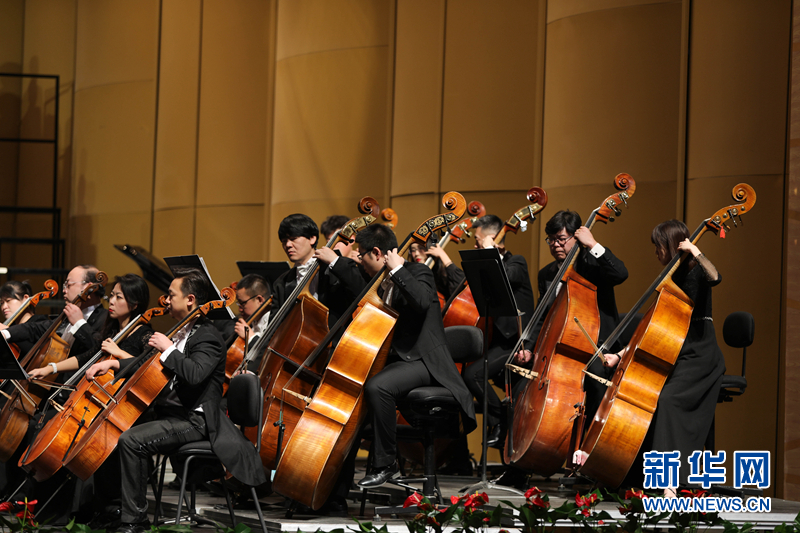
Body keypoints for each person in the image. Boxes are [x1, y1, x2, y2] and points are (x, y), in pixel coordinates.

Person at [86, 268, 265, 533]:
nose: (166, 300)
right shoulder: (182, 331)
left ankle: (135, 521)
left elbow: (195, 374)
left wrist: (168, 349)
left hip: (197, 420)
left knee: (131, 441)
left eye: (171, 295)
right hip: (174, 415)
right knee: (110, 432)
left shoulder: (207, 336)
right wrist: (114, 363)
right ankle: (112, 509)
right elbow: (151, 367)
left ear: (190, 300)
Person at [602, 219, 725, 495]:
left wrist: (695, 251)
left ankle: (670, 481)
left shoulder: (696, 270)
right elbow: (652, 326)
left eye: (658, 246)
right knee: (650, 400)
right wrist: (620, 355)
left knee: (668, 400)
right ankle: (637, 474)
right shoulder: (670, 278)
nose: (656, 252)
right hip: (676, 352)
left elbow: (716, 277)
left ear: (670, 245)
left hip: (701, 354)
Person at [356, 224, 476, 488]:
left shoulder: (417, 271)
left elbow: (421, 302)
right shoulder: (376, 283)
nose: (358, 258)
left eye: (361, 253)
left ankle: (386, 465)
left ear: (376, 252)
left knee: (378, 387)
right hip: (398, 361)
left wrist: (398, 270)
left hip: (424, 361)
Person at [515, 210, 628, 426]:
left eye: (561, 239)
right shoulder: (546, 274)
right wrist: (528, 348)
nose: (555, 245)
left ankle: (590, 436)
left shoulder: (593, 264)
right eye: (551, 239)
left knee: (594, 378)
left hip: (597, 347)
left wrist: (592, 244)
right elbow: (543, 316)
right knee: (522, 382)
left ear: (576, 237)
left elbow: (621, 274)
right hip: (559, 348)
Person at [461, 214, 536, 449]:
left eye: (477, 241)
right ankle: (499, 423)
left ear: (492, 238)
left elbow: (507, 277)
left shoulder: (517, 262)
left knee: (473, 374)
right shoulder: (488, 267)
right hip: (498, 341)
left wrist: (490, 252)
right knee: (467, 375)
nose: (475, 246)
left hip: (517, 343)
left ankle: (499, 421)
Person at [28, 274, 152, 380]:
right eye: (112, 295)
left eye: (118, 297)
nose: (111, 301)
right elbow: (85, 357)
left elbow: (148, 368)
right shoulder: (112, 332)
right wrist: (49, 369)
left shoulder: (145, 335)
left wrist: (119, 353)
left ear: (135, 305)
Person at [271, 214, 366, 328]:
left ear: (312, 238)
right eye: (284, 241)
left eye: (293, 239)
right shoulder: (281, 283)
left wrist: (335, 261)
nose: (287, 245)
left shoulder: (337, 267)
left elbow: (361, 294)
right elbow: (275, 328)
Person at [0, 281, 49, 356]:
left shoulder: (40, 323)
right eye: (2, 303)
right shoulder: (11, 326)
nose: (4, 307)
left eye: (8, 300)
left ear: (25, 298)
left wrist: (8, 332)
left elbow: (36, 353)